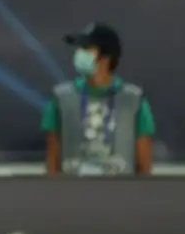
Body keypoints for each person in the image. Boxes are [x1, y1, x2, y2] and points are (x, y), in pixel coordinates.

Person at [42, 23, 156, 176]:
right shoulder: (61, 99)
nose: (79, 54)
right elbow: (52, 165)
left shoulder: (134, 101)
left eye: (87, 49)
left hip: (122, 197)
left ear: (106, 56)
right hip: (70, 197)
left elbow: (144, 166)